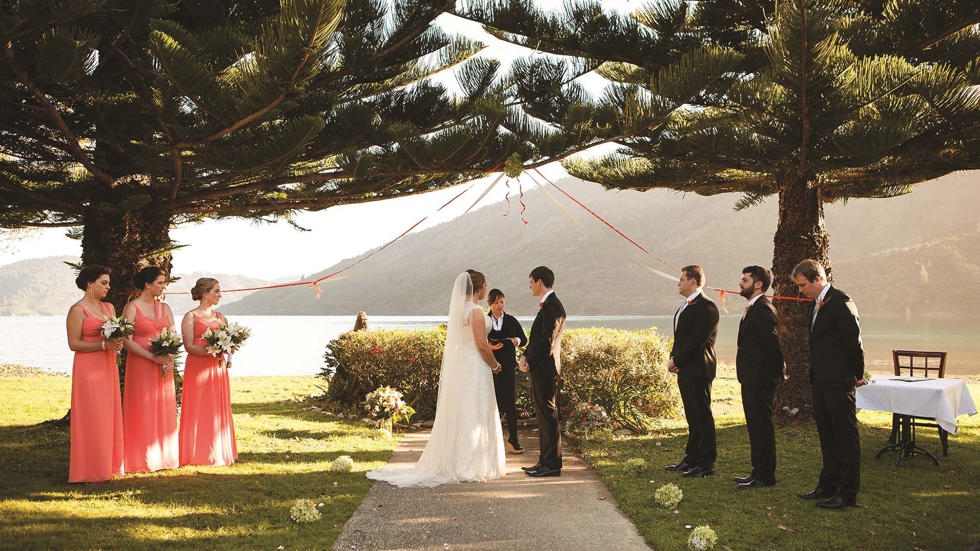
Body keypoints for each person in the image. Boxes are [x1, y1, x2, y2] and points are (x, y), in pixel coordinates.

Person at [367, 270, 505, 487]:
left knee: (463, 410)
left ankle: (458, 460)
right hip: (475, 366)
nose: (486, 289)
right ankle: (469, 465)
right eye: (485, 285)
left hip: (463, 366)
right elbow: (481, 345)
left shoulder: (459, 311)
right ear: (478, 288)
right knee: (474, 411)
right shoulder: (476, 313)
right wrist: (495, 365)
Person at [792, 259, 866, 509]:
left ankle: (847, 493)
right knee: (827, 435)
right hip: (821, 380)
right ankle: (827, 485)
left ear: (817, 279)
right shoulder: (817, 303)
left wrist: (857, 374)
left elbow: (853, 342)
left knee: (845, 437)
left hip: (839, 381)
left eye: (803, 285)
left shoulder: (842, 302)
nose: (800, 290)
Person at [65, 265, 124, 482]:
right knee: (92, 415)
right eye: (104, 283)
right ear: (90, 284)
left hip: (108, 365)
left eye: (108, 282)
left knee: (108, 413)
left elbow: (116, 335)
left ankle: (109, 464)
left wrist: (117, 344)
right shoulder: (77, 310)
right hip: (88, 367)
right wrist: (103, 345)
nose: (108, 287)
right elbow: (73, 344)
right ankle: (89, 468)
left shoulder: (109, 308)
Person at [121, 266, 179, 473]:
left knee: (163, 405)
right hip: (141, 364)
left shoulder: (166, 309)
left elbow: (173, 336)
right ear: (147, 284)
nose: (164, 287)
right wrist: (151, 357)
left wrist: (169, 355)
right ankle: (140, 458)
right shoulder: (132, 308)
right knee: (141, 407)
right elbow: (126, 340)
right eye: (160, 283)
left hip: (164, 364)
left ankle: (164, 457)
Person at [665, 265, 719, 479]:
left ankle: (706, 463)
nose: (678, 282)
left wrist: (677, 360)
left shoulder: (707, 307)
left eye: (682, 278)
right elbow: (681, 338)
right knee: (692, 416)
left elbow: (697, 340)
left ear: (693, 281)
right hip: (686, 368)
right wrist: (674, 359)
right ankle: (691, 459)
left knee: (702, 416)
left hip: (699, 369)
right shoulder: (686, 306)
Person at [734, 265, 785, 489]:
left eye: (744, 280)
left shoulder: (763, 309)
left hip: (760, 379)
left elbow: (772, 346)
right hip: (751, 378)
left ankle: (765, 475)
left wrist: (776, 375)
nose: (740, 283)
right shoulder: (753, 308)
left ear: (758, 284)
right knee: (755, 426)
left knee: (761, 426)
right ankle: (757, 471)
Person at [179, 277, 238, 466]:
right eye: (217, 291)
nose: (220, 295)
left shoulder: (221, 317)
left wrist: (229, 348)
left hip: (218, 369)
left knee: (216, 408)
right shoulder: (190, 317)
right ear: (205, 294)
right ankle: (195, 454)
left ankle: (217, 452)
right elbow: (189, 346)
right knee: (198, 408)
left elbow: (228, 341)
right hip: (198, 368)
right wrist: (213, 351)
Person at [519, 266, 566, 478]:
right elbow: (536, 339)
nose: (529, 285)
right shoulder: (547, 306)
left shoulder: (553, 307)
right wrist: (524, 355)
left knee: (549, 416)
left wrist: (529, 360)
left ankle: (552, 465)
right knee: (543, 417)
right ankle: (543, 462)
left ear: (539, 281)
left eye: (531, 281)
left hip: (546, 370)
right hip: (540, 368)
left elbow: (546, 343)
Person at [486, 288, 528, 454]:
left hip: (508, 368)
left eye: (502, 301)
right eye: (496, 302)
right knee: (490, 404)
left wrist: (514, 341)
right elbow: (478, 341)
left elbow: (523, 339)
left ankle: (513, 440)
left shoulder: (511, 320)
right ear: (489, 303)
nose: (499, 305)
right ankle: (489, 443)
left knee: (510, 404)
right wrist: (488, 345)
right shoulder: (485, 320)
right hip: (489, 368)